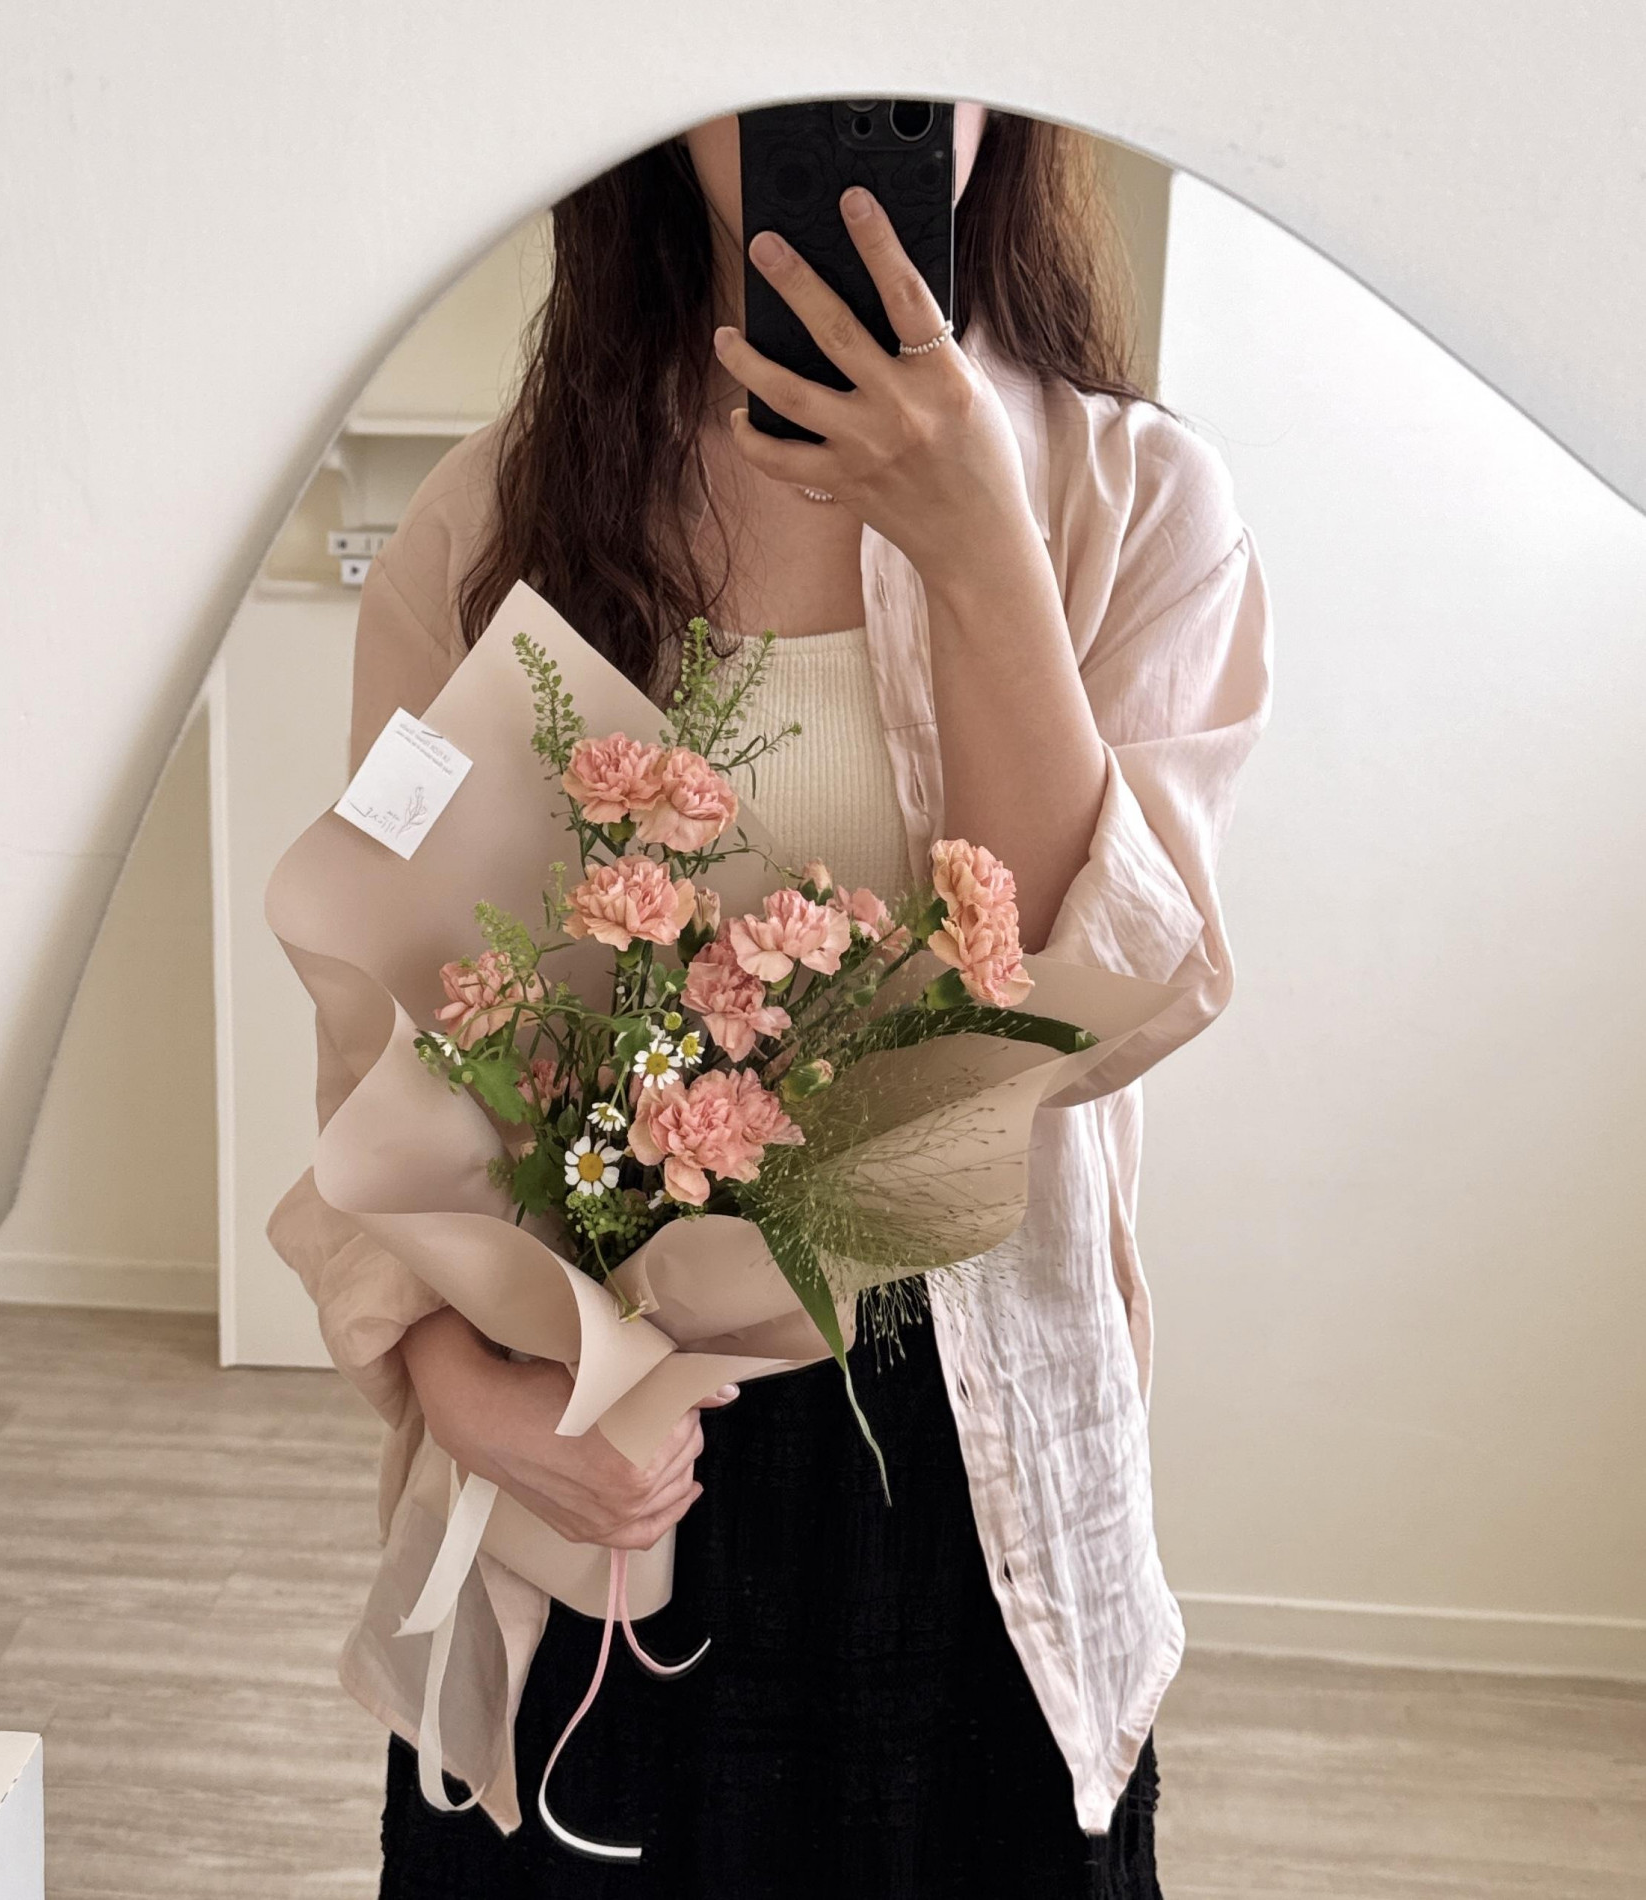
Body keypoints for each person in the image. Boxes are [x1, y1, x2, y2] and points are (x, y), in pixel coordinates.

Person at [265, 102, 1273, 1898]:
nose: (852, 71)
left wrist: (978, 546)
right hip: (592, 1458)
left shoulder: (1134, 504)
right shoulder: (493, 517)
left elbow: (1089, 1010)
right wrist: (450, 1384)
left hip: (975, 1504)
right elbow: (384, 1046)